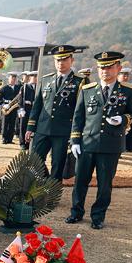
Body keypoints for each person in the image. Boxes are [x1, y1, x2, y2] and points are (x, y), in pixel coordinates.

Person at [67, 51, 132, 229]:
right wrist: (75, 141)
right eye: (101, 67)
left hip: (110, 145)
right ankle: (76, 212)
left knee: (105, 184)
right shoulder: (87, 89)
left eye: (109, 67)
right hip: (87, 143)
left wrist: (123, 119)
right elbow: (78, 117)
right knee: (80, 181)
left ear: (118, 68)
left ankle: (98, 217)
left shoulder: (128, 90)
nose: (104, 71)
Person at [26, 45, 87, 179]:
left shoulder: (80, 81)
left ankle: (52, 194)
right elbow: (37, 105)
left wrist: (77, 133)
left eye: (64, 59)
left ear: (72, 60)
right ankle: (43, 183)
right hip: (43, 128)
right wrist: (30, 127)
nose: (61, 63)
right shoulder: (46, 79)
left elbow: (81, 110)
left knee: (58, 164)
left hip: (63, 130)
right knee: (34, 160)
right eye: (58, 60)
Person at [0, 72, 20, 144]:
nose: (13, 81)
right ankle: (4, 138)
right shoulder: (4, 88)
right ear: (9, 79)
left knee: (12, 123)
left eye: (14, 79)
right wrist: (3, 105)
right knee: (5, 123)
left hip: (14, 108)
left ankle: (10, 139)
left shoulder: (18, 88)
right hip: (6, 108)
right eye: (11, 79)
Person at [18, 71, 37, 150]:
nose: (35, 78)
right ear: (30, 77)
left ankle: (30, 143)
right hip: (26, 108)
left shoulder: (38, 86)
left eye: (36, 77)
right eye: (34, 76)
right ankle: (22, 143)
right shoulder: (25, 87)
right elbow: (20, 98)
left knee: (32, 126)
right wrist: (21, 108)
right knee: (23, 125)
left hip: (34, 109)